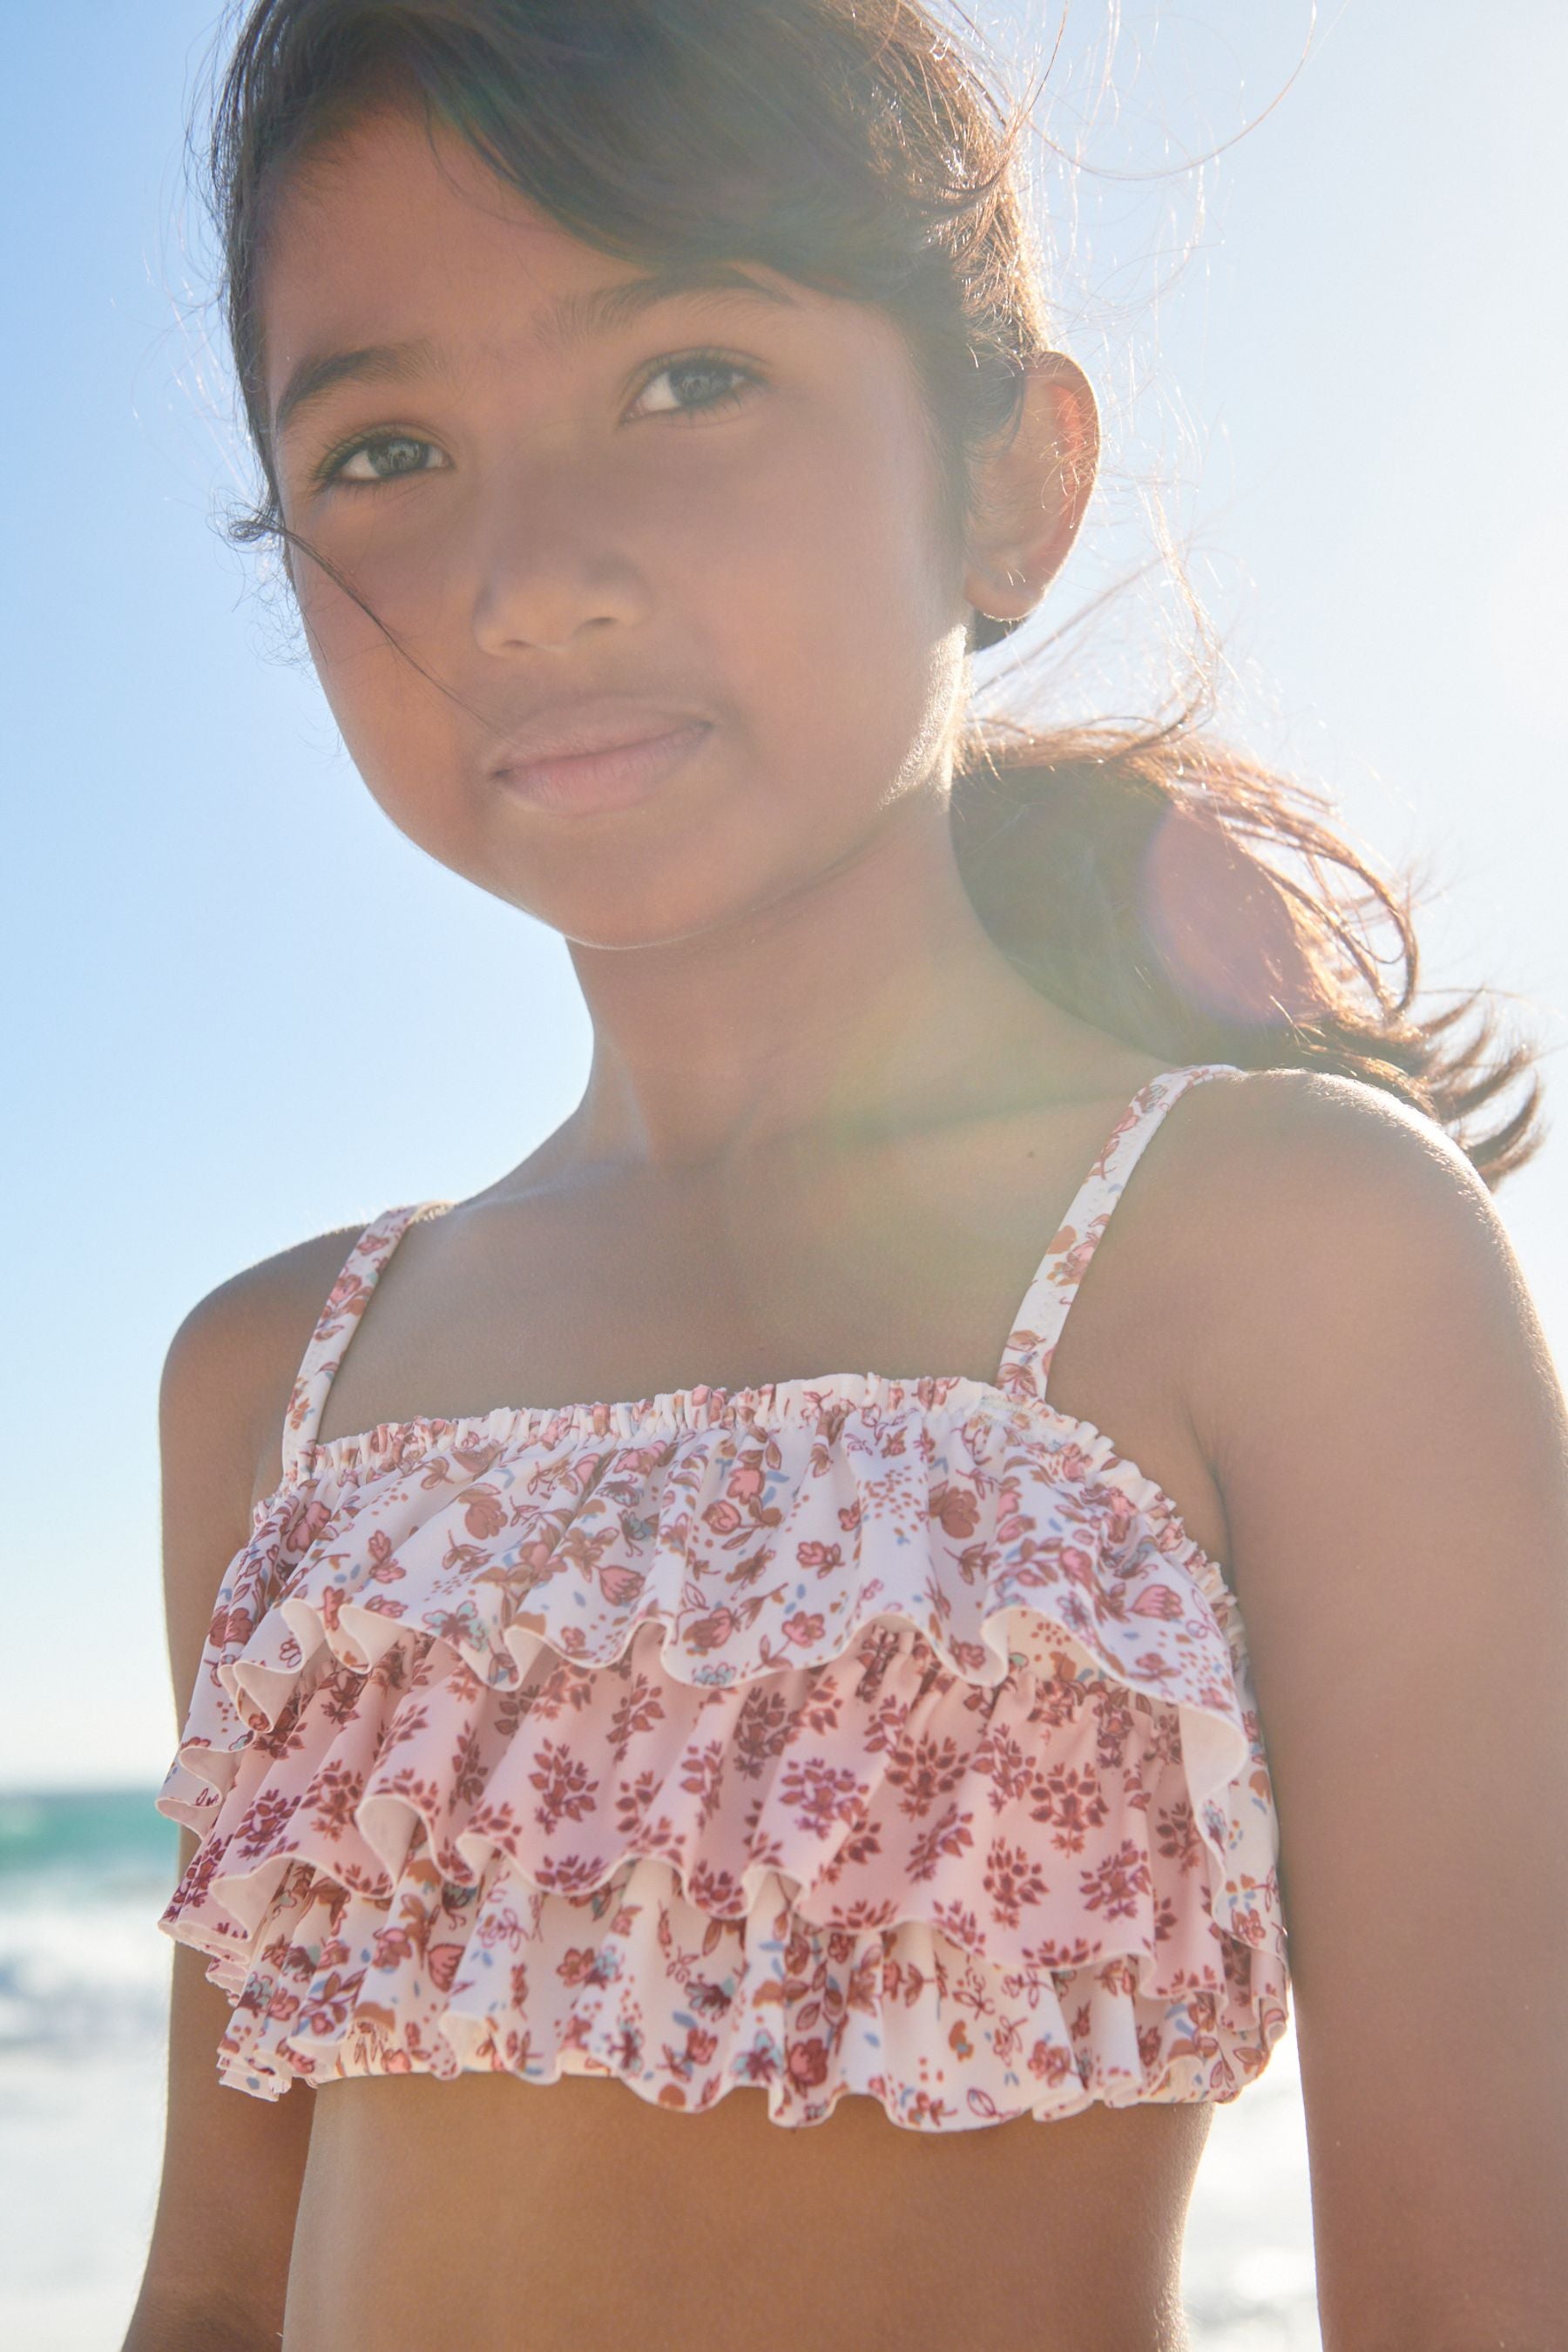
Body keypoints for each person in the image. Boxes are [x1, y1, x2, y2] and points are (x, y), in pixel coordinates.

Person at [124, 3, 1567, 2348]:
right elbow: (210, 2280)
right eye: (385, 447)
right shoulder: (275, 1380)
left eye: (687, 378)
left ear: (1006, 479)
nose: (528, 575)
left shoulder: (1291, 1255)